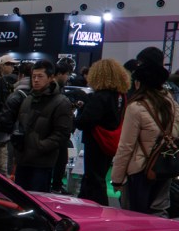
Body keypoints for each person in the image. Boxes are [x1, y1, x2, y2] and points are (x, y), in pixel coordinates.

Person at [111, 60, 178, 216]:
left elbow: (126, 146)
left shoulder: (136, 108)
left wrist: (117, 179)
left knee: (133, 215)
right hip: (164, 167)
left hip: (139, 170)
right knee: (159, 211)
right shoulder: (173, 105)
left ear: (139, 83)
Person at [11, 60, 73, 193]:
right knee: (19, 198)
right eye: (34, 76)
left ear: (50, 78)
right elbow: (20, 124)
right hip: (23, 159)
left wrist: (40, 146)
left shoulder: (61, 102)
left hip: (42, 162)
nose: (36, 80)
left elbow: (62, 134)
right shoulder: (28, 99)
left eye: (40, 76)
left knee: (37, 199)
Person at [74, 58, 128, 206]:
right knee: (97, 177)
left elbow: (84, 121)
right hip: (110, 140)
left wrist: (80, 112)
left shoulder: (100, 97)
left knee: (94, 179)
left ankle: (97, 209)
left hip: (96, 142)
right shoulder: (120, 96)